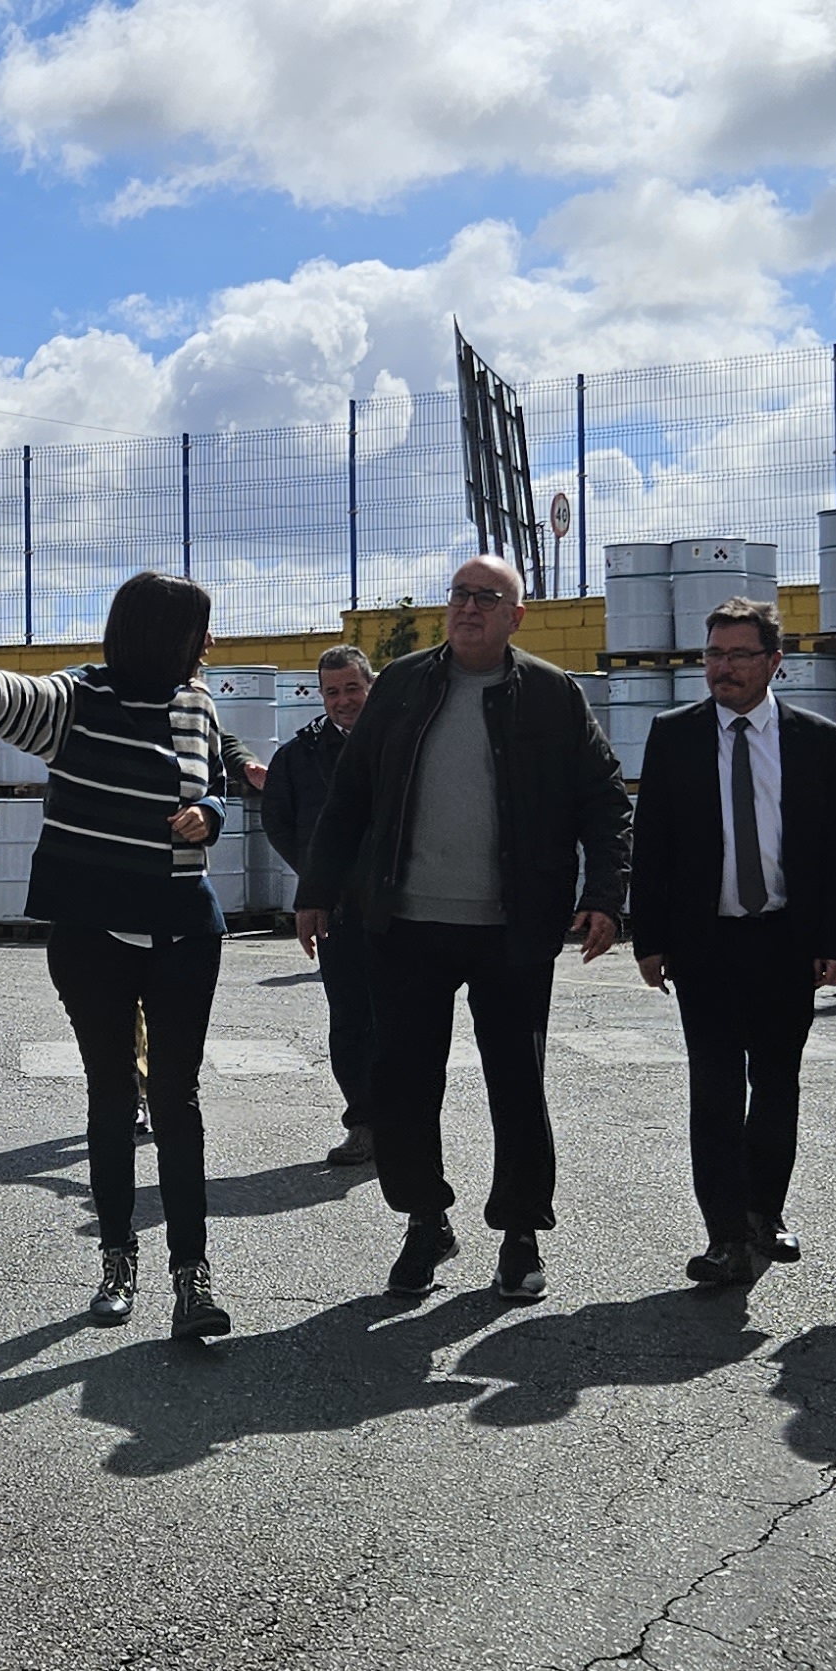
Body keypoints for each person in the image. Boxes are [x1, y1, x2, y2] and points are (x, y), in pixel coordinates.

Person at [0, 572, 248, 1343]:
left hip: (186, 926)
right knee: (112, 1098)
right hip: (94, 931)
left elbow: (213, 780)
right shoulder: (82, 702)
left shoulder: (199, 703)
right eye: (201, 630)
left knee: (177, 1104)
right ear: (166, 634)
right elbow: (13, 695)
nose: (210, 644)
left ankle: (193, 1280)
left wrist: (208, 813)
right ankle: (118, 1263)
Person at [295, 555, 630, 1302]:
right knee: (405, 1083)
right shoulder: (404, 687)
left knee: (517, 1084)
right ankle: (425, 1222)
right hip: (406, 923)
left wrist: (606, 894)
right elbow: (349, 797)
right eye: (460, 595)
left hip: (512, 929)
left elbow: (604, 799)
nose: (468, 608)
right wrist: (317, 889)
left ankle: (519, 1232)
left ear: (517, 616)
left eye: (488, 598)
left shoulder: (551, 694)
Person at [627, 597, 836, 1288]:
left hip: (786, 942)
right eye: (714, 655)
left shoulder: (818, 740)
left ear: (774, 663)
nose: (722, 669)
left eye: (737, 655)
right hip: (706, 946)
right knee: (715, 1092)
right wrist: (651, 937)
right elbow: (655, 844)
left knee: (777, 1085)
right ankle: (725, 1235)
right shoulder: (675, 736)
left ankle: (766, 1211)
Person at [259, 643, 381, 1168]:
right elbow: (277, 822)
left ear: (370, 687)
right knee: (351, 1020)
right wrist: (318, 878)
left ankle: (407, 1122)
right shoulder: (299, 756)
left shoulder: (400, 743)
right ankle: (364, 1124)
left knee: (405, 1020)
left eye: (352, 688)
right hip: (337, 911)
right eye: (332, 692)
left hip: (403, 907)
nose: (343, 701)